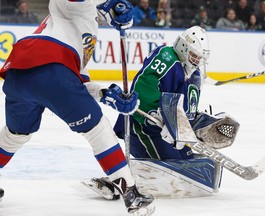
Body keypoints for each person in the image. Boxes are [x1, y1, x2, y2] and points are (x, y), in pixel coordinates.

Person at [0, 0, 155, 215]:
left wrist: (106, 94)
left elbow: (76, 83)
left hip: (19, 73)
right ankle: (131, 194)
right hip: (51, 66)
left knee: (15, 134)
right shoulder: (76, 7)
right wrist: (109, 3)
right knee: (97, 129)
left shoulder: (85, 26)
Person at [84, 26, 240, 199]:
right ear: (183, 47)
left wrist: (194, 124)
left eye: (200, 57)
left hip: (166, 131)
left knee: (187, 162)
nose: (196, 60)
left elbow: (185, 108)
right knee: (174, 167)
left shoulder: (194, 74)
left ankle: (126, 179)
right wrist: (159, 114)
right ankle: (115, 183)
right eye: (194, 55)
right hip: (143, 124)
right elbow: (142, 87)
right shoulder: (166, 57)